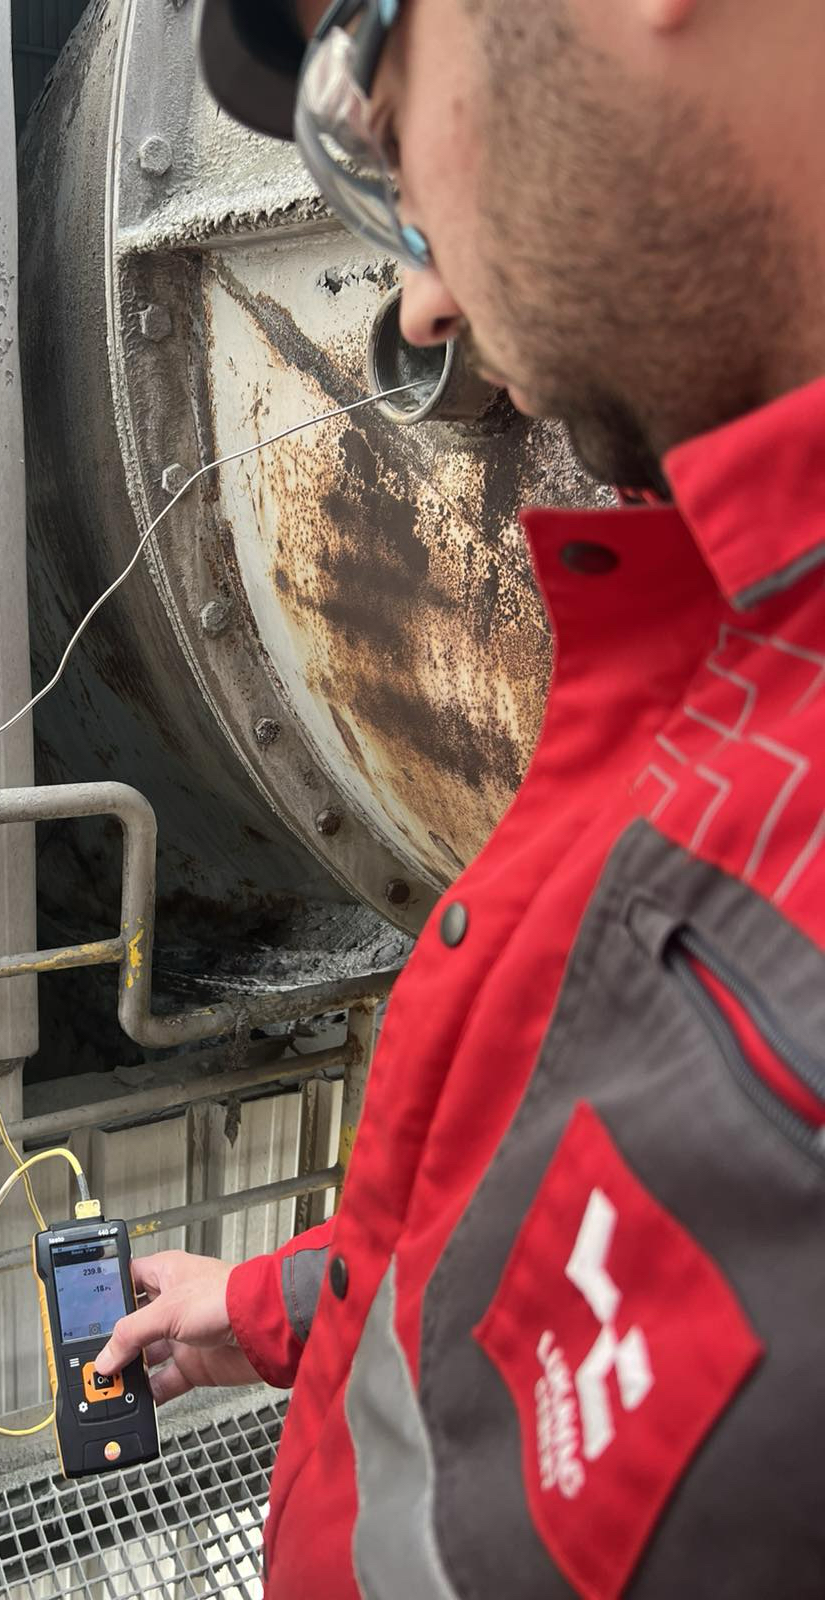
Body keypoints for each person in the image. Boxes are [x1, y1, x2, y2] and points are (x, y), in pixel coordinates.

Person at [95, 2, 825, 1594]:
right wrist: (274, 1307)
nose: (421, 302)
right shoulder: (728, 649)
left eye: (372, 101)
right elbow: (553, 1236)